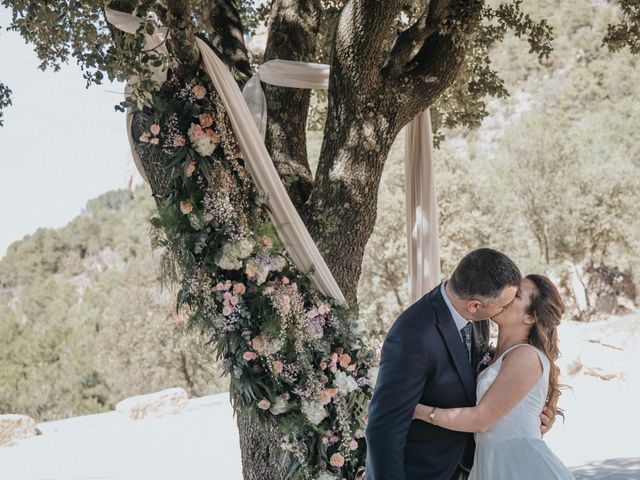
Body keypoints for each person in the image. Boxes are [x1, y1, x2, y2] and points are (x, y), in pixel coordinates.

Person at [365, 248, 554, 480]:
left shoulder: (480, 317)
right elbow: (384, 425)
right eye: (505, 304)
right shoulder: (413, 334)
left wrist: (527, 416)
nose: (506, 306)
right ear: (475, 305)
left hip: (478, 465)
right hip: (425, 471)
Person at [413, 274, 574, 479]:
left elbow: (481, 419)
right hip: (486, 460)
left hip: (517, 465)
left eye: (516, 295)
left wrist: (415, 410)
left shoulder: (526, 356)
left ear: (530, 317)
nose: (505, 296)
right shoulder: (490, 353)